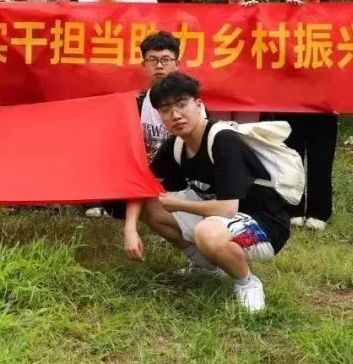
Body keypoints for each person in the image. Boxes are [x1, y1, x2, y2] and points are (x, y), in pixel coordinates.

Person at [123, 73, 290, 312]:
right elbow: (142, 187)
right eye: (166, 110)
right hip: (220, 219)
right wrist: (130, 229)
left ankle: (247, 282)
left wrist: (179, 205)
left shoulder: (223, 140)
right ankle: (207, 267)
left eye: (182, 105)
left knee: (207, 232)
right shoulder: (176, 145)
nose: (176, 115)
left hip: (264, 226)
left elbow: (227, 209)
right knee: (152, 206)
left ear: (198, 104)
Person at [274, 0, 338, 231]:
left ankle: (319, 212)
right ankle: (293, 208)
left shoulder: (338, 16)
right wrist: (289, 14)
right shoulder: (283, 14)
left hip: (325, 99)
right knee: (292, 156)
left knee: (321, 157)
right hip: (290, 98)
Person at [91, 31, 182, 218]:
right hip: (142, 176)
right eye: (152, 60)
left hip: (177, 178)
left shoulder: (192, 106)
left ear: (177, 64)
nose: (159, 66)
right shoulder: (135, 104)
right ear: (144, 65)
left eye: (166, 60)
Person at [210, 0, 260, 123]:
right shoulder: (212, 16)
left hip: (249, 83)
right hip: (220, 82)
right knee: (221, 130)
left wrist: (256, 16)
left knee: (247, 131)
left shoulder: (259, 12)